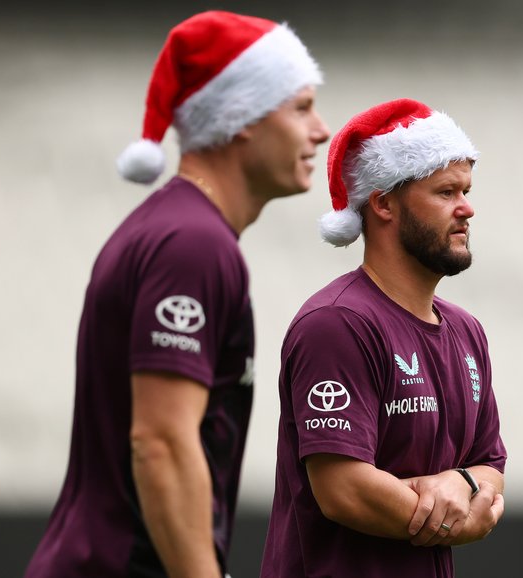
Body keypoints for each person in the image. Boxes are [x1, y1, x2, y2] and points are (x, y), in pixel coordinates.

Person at [24, 11, 329, 578]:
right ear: (242, 116)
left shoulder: (179, 230)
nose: (321, 130)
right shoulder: (193, 245)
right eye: (302, 107)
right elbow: (161, 441)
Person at [260, 98, 506, 577]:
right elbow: (344, 490)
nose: (467, 208)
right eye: (446, 192)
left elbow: (490, 467)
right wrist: (459, 517)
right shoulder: (338, 324)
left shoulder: (467, 332)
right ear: (383, 203)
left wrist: (460, 483)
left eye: (466, 190)